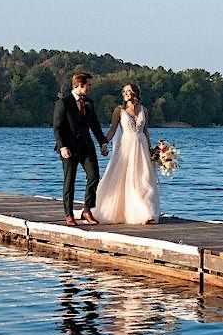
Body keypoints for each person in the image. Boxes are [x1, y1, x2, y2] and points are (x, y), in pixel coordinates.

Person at [93, 83, 160, 225]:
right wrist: (104, 143)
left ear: (135, 92)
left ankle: (147, 212)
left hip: (141, 148)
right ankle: (128, 211)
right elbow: (112, 130)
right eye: (124, 91)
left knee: (144, 180)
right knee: (127, 180)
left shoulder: (144, 110)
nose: (127, 93)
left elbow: (145, 132)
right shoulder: (119, 110)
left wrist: (151, 150)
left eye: (129, 90)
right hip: (126, 148)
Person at [52, 71, 109, 227]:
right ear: (80, 85)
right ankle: (69, 215)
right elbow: (57, 128)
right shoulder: (63, 103)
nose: (90, 88)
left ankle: (87, 209)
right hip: (68, 148)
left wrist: (103, 143)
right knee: (69, 181)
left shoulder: (89, 103)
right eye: (88, 85)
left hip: (86, 147)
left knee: (94, 176)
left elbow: (95, 125)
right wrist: (62, 146)